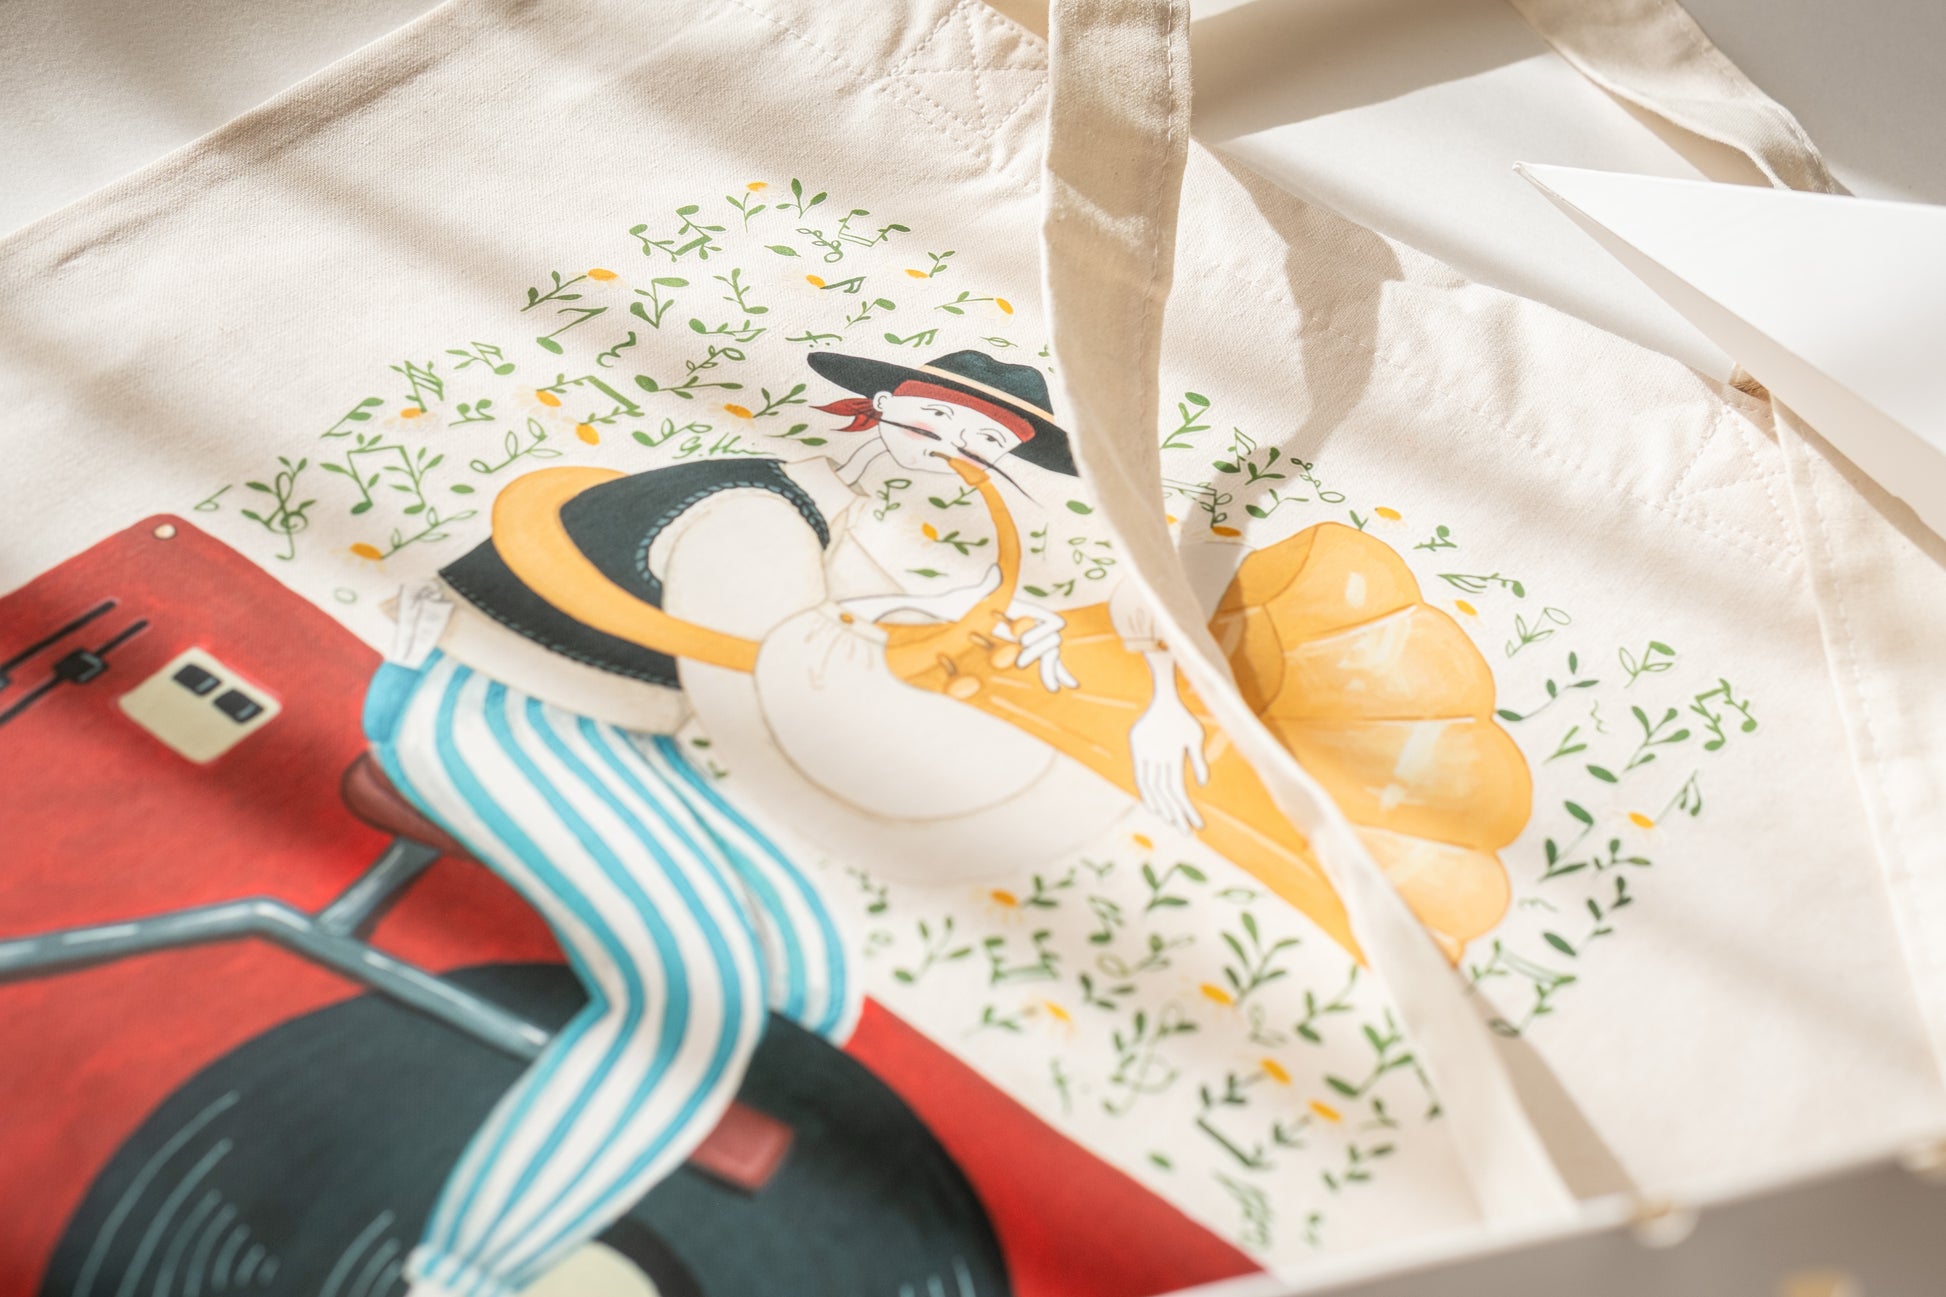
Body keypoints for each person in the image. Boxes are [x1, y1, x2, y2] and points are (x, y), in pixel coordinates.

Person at [364, 347, 1526, 1296]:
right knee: (695, 994)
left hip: (612, 735)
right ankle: (458, 1270)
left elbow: (876, 637)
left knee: (807, 973)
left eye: (982, 441)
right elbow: (785, 719)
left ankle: (601, 1157)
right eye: (936, 421)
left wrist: (1113, 690)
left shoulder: (832, 517)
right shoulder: (753, 511)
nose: (953, 452)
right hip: (498, 709)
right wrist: (1033, 769)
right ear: (876, 407)